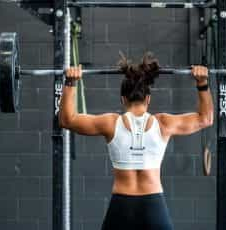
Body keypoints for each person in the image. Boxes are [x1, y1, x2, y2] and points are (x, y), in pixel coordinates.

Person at [59, 52, 214, 230]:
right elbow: (206, 119)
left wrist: (70, 83)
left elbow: (67, 120)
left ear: (122, 99)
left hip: (121, 207)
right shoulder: (164, 123)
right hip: (153, 205)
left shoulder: (110, 123)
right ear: (148, 99)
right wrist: (202, 84)